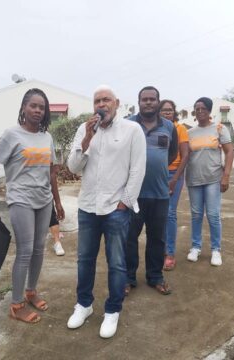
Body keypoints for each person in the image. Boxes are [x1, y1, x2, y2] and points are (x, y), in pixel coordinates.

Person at [67, 85, 146, 338]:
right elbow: (74, 167)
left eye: (106, 100)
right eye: (97, 101)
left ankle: (112, 310)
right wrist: (86, 139)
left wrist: (124, 202)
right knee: (84, 261)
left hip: (116, 209)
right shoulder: (84, 129)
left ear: (117, 103)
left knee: (117, 263)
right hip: (88, 207)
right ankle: (84, 305)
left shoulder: (132, 130)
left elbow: (137, 170)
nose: (101, 105)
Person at [0, 88, 65, 323]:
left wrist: (57, 201)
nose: (38, 110)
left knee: (39, 248)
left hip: (44, 199)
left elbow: (52, 171)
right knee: (25, 250)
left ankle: (31, 292)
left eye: (42, 107)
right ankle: (16, 304)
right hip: (20, 199)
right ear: (24, 108)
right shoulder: (11, 134)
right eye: (33, 105)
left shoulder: (47, 137)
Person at [126, 87, 178, 296]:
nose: (148, 102)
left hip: (159, 194)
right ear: (138, 102)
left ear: (158, 102)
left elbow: (172, 153)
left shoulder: (168, 126)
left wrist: (157, 167)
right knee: (129, 238)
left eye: (152, 99)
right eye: (144, 99)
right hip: (133, 194)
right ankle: (128, 278)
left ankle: (155, 277)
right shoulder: (128, 124)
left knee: (157, 238)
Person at [185, 97, 234, 266]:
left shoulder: (219, 128)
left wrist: (226, 176)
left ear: (209, 111)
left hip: (213, 178)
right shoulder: (190, 133)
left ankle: (215, 250)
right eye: (197, 109)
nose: (200, 111)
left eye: (203, 108)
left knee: (213, 215)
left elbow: (229, 152)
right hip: (193, 179)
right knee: (196, 215)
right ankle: (196, 247)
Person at [160, 100, 189, 271]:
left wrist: (175, 179)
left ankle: (170, 253)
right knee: (158, 214)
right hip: (157, 175)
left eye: (169, 110)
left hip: (173, 175)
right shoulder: (156, 128)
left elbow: (185, 155)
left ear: (174, 112)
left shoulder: (180, 129)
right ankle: (160, 250)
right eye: (163, 110)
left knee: (170, 213)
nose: (166, 113)